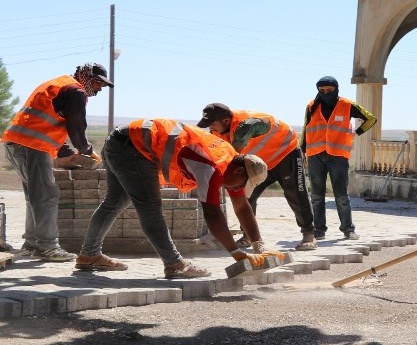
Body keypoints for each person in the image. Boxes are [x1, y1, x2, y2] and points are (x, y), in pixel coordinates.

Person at [76, 119, 284, 279]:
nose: (238, 189)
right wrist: (236, 252)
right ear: (239, 171)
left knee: (114, 202)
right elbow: (212, 213)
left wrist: (259, 244)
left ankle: (89, 254)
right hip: (133, 146)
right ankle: (175, 264)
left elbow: (241, 206)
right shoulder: (212, 167)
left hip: (121, 140)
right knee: (150, 208)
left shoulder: (232, 164)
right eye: (241, 184)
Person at [1, 62, 111, 262]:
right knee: (46, 195)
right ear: (88, 78)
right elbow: (76, 126)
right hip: (31, 145)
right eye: (99, 84)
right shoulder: (76, 91)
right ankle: (47, 246)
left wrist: (67, 152)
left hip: (17, 142)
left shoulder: (60, 84)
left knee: (34, 195)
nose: (99, 89)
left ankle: (33, 242)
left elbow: (47, 122)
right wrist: (86, 150)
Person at [197, 103, 317, 251]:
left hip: (286, 153)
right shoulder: (216, 131)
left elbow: (236, 150)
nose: (211, 128)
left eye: (213, 124)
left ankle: (309, 234)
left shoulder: (247, 123)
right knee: (247, 194)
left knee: (296, 194)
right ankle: (248, 236)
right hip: (260, 162)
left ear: (226, 121)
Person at [301, 76, 377, 240]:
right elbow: (305, 128)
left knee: (341, 195)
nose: (325, 93)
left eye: (329, 90)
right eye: (322, 91)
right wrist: (302, 150)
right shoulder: (312, 106)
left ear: (336, 89)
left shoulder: (347, 105)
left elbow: (370, 119)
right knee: (316, 195)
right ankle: (319, 230)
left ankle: (348, 229)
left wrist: (357, 133)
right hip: (315, 155)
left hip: (338, 156)